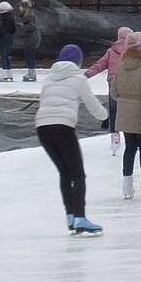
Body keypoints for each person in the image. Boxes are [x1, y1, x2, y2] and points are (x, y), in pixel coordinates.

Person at [34, 42, 106, 234]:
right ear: (78, 61)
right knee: (77, 173)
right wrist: (105, 118)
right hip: (63, 127)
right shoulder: (78, 78)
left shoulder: (49, 78)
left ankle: (70, 216)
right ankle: (80, 217)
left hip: (42, 128)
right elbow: (92, 104)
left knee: (65, 173)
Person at [108, 30, 141, 199]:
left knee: (129, 148)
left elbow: (114, 92)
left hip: (124, 114)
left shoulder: (121, 66)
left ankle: (127, 185)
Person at [11, 1, 42, 81]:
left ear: (25, 8)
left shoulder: (30, 16)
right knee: (28, 55)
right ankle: (31, 72)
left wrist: (22, 27)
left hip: (32, 39)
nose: (19, 8)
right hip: (29, 39)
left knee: (29, 56)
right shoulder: (25, 16)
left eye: (21, 7)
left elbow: (32, 26)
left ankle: (31, 73)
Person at [0, 1, 17, 82]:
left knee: (3, 55)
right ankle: (9, 73)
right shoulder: (11, 17)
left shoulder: (2, 18)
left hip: (3, 37)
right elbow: (14, 28)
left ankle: (4, 74)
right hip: (9, 37)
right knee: (6, 55)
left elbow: (0, 28)